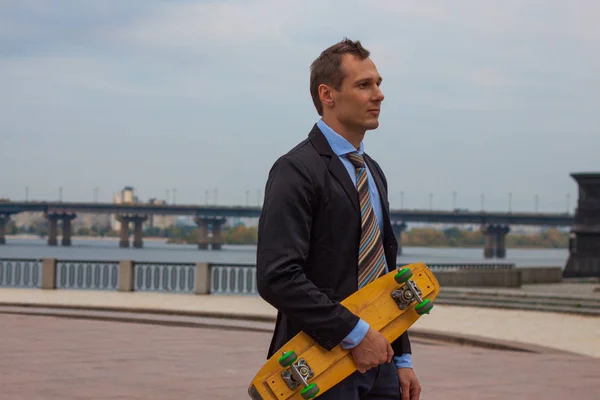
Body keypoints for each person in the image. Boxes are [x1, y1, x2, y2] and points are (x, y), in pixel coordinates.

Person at [256, 38, 421, 400]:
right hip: (318, 363)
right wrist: (357, 334)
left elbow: (384, 276)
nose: (378, 95)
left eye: (378, 84)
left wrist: (403, 357)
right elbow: (277, 277)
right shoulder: (296, 170)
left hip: (383, 363)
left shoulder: (373, 172)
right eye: (364, 85)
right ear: (327, 95)